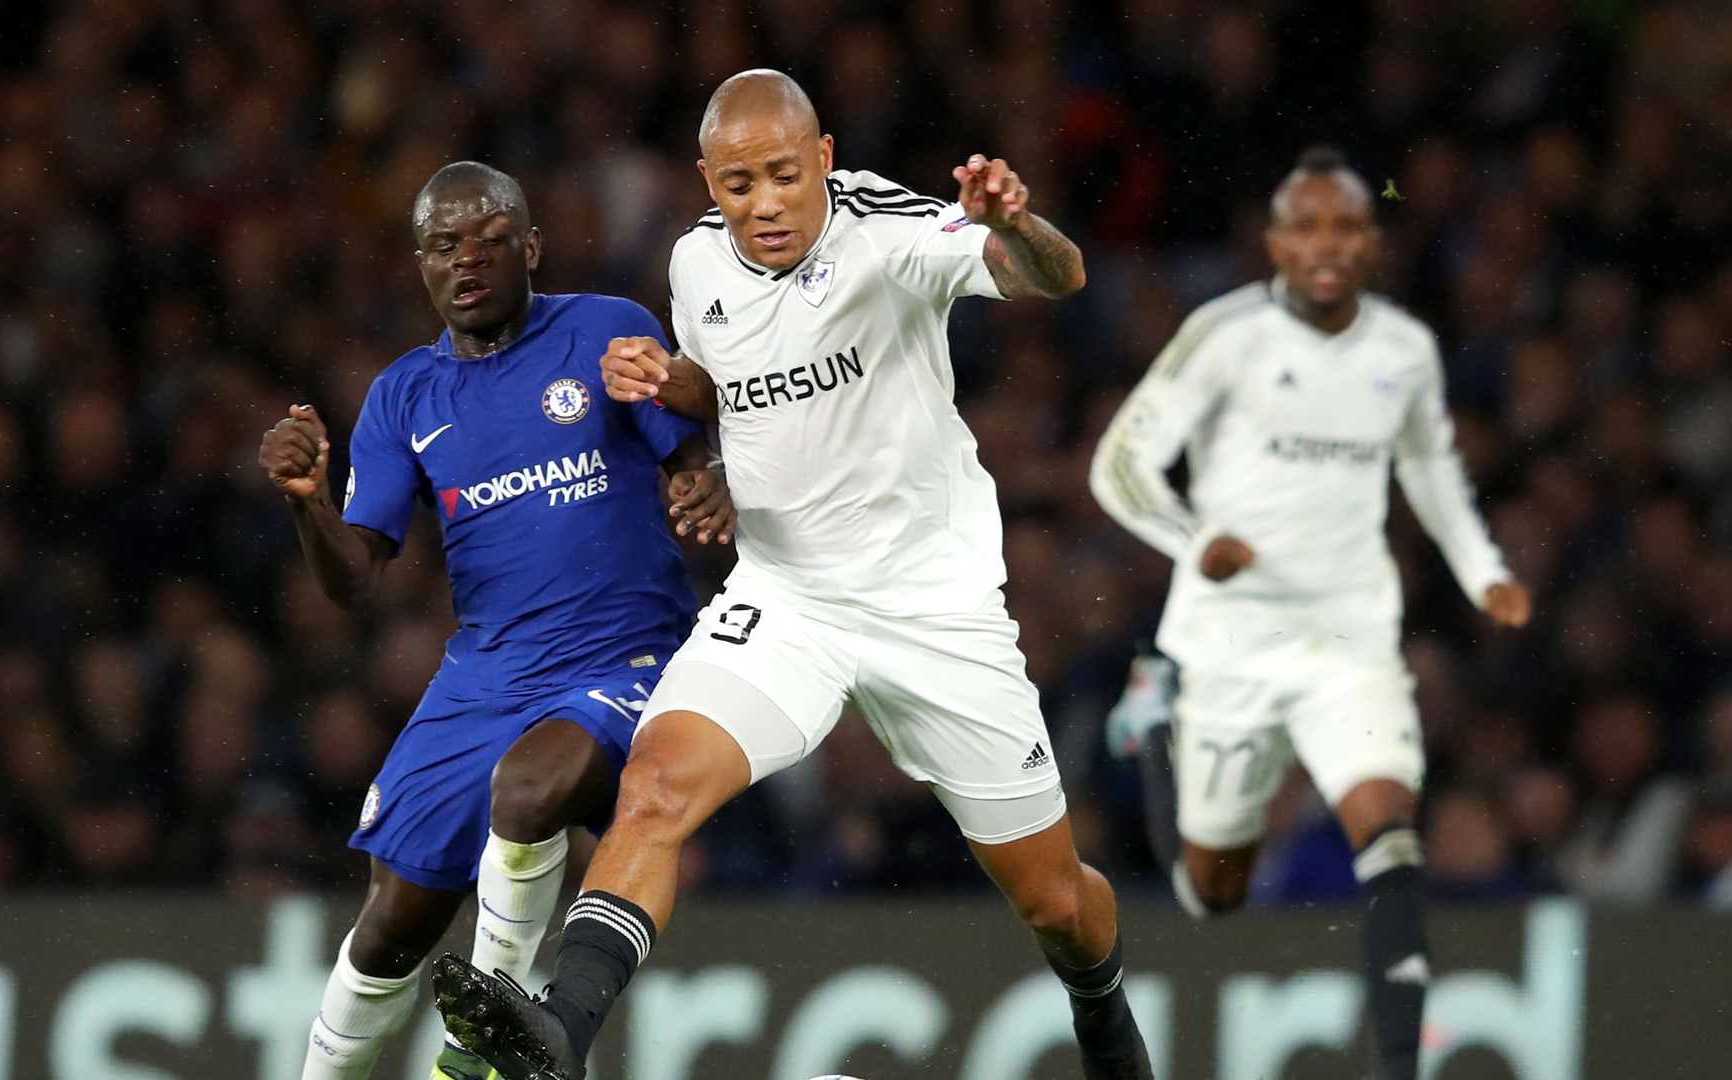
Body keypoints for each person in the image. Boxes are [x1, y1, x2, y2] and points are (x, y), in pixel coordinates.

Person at [431, 70, 1153, 1080]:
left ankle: (1104, 1014)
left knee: (1055, 903)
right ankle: (561, 1033)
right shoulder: (695, 262)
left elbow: (1054, 275)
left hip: (931, 610)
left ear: (822, 158)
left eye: (783, 175)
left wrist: (1015, 225)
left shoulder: (889, 232)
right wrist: (673, 391)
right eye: (738, 185)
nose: (765, 204)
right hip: (787, 598)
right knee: (655, 787)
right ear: (707, 182)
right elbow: (729, 389)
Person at [257, 161, 733, 1080]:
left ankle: (481, 1053)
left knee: (529, 789)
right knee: (393, 922)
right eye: (445, 246)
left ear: (532, 247)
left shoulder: (605, 330)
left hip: (624, 657)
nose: (467, 260)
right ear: (421, 264)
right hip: (483, 676)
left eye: (490, 240)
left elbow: (689, 449)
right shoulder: (403, 396)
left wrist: (701, 477)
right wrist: (307, 502)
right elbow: (355, 579)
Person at [1091, 147, 1532, 1080]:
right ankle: (1155, 717)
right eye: (1308, 228)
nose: (1327, 245)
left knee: (1391, 830)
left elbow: (1431, 471)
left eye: (1346, 228)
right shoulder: (1225, 337)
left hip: (1349, 641)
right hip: (1233, 642)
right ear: (1277, 244)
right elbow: (1120, 465)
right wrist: (1193, 540)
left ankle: (1399, 1069)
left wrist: (1484, 571)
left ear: (1371, 244)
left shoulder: (1404, 351)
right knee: (1212, 892)